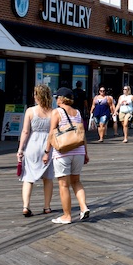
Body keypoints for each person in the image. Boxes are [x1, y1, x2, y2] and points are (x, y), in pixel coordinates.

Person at [45, 87, 90, 224]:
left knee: (63, 185)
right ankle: (84, 207)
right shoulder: (77, 112)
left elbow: (52, 133)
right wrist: (86, 153)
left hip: (63, 152)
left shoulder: (57, 112)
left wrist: (47, 152)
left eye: (56, 97)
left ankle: (67, 216)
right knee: (76, 181)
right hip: (79, 151)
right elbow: (82, 135)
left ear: (60, 98)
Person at [17, 84, 54, 217]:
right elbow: (53, 132)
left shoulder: (30, 111)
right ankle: (47, 206)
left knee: (28, 177)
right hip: (48, 147)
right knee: (48, 178)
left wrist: (20, 149)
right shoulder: (53, 112)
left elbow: (26, 131)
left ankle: (26, 206)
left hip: (32, 145)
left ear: (36, 96)